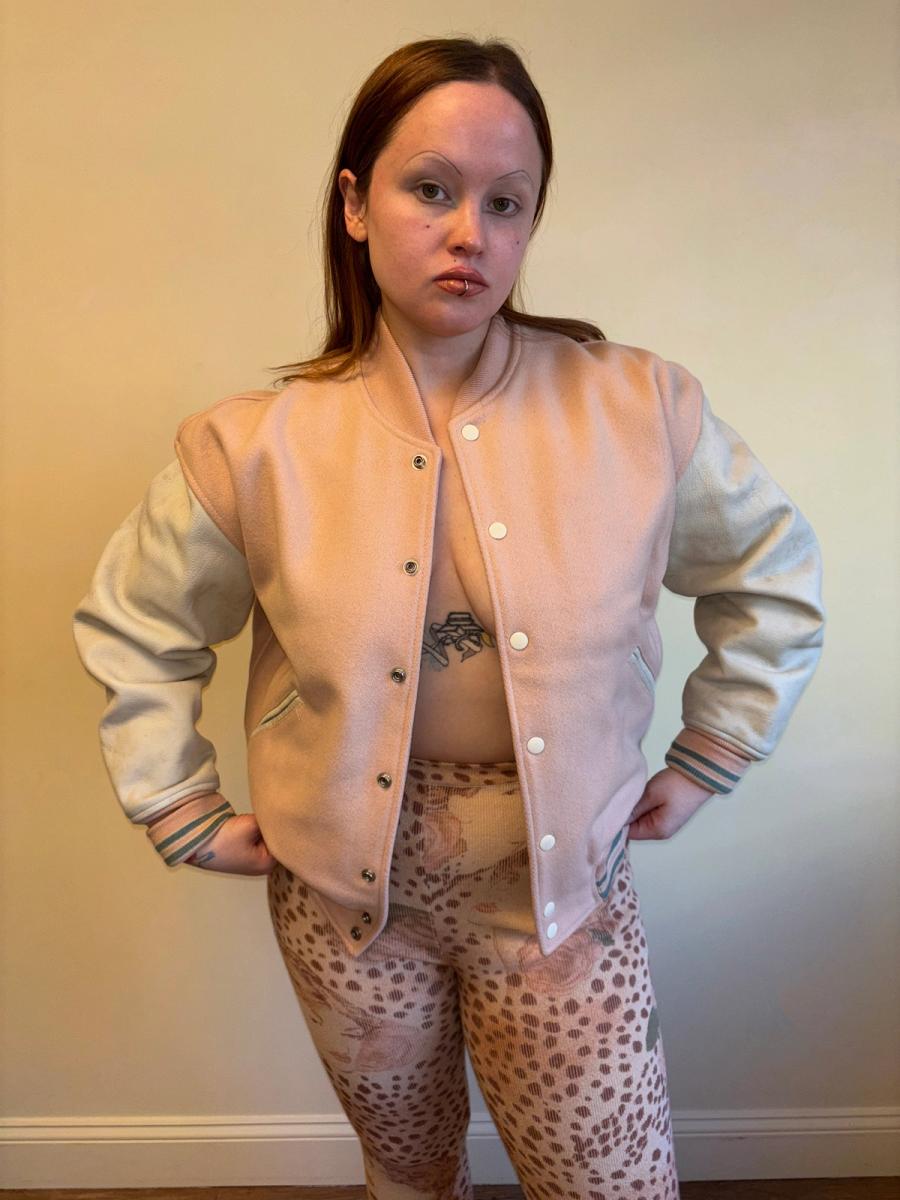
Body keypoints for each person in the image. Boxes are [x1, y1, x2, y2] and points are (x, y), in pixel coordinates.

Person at [72, 35, 825, 1200]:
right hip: (345, 911)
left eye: (505, 202)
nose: (471, 231)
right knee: (410, 1173)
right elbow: (139, 623)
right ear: (355, 204)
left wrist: (715, 747)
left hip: (561, 897)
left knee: (611, 1181)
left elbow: (771, 573)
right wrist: (176, 803)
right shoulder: (251, 447)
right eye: (431, 190)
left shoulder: (637, 408)